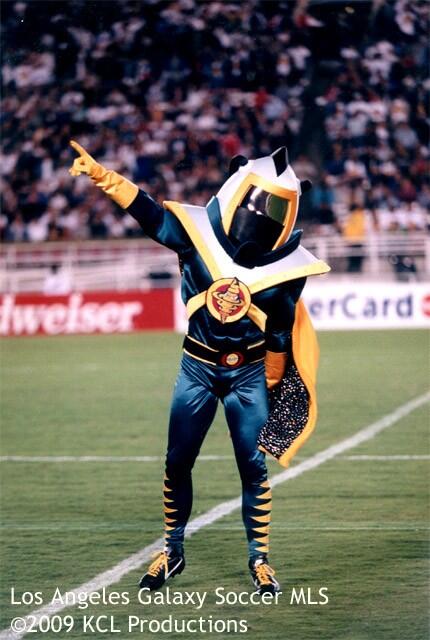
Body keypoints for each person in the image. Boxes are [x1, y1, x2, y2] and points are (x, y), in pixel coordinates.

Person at [69, 140, 330, 594]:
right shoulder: (195, 235)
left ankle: (259, 559)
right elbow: (148, 213)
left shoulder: (288, 268)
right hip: (198, 368)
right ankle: (172, 551)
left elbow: (281, 334)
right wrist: (103, 176)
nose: (263, 213)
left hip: (247, 374)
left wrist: (271, 381)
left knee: (254, 468)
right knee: (177, 463)